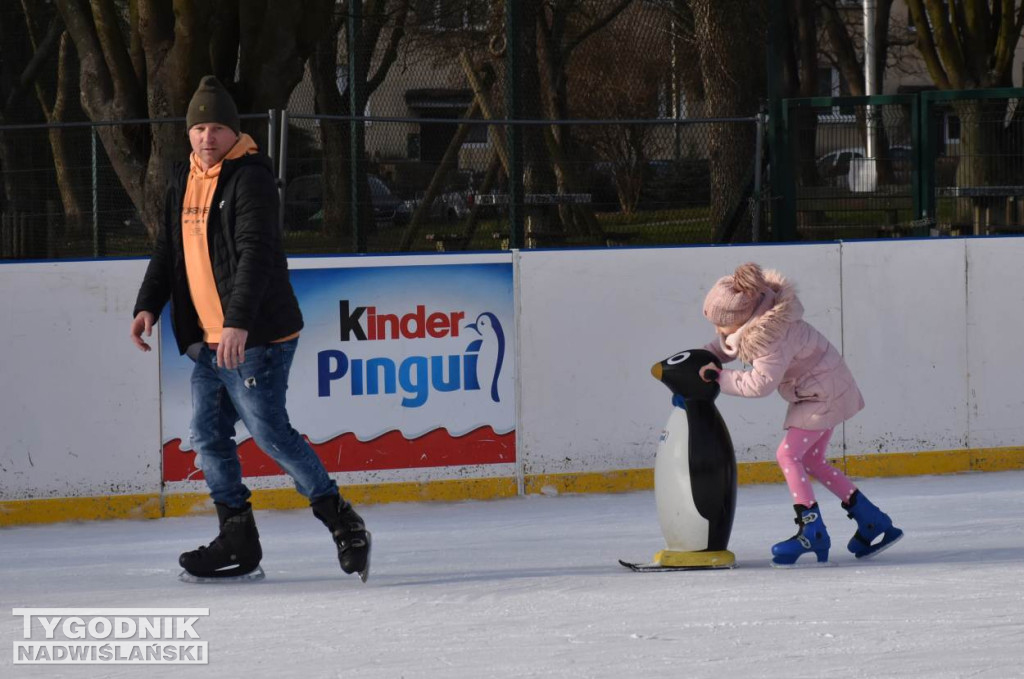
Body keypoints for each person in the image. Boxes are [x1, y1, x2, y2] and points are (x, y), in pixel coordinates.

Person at [129, 75, 370, 581]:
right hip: (208, 345)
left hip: (256, 338)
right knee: (207, 436)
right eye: (199, 128)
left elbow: (256, 256)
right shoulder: (184, 178)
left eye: (217, 128)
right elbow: (169, 250)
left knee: (269, 433)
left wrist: (238, 323)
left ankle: (341, 520)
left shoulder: (251, 178)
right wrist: (149, 303)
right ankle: (238, 536)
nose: (206, 137)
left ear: (233, 133)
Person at [698, 262, 902, 567]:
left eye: (721, 325)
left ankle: (812, 530)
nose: (718, 331)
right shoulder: (762, 314)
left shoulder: (771, 337)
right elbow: (730, 342)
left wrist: (719, 378)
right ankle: (873, 520)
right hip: (827, 388)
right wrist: (705, 355)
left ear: (742, 319)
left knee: (788, 455)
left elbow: (760, 384)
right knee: (811, 460)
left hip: (822, 396)